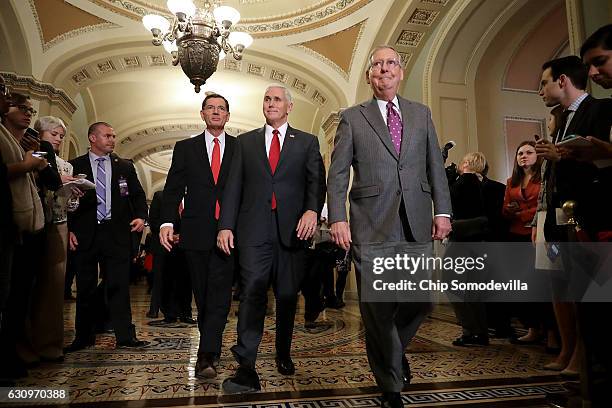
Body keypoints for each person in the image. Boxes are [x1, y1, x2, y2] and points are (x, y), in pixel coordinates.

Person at [326, 45, 452, 407]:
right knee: (379, 307)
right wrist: (338, 217)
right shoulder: (353, 117)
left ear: (400, 71)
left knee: (422, 300)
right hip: (370, 223)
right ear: (370, 75)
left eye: (391, 63)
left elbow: (434, 167)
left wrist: (442, 210)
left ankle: (392, 350)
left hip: (415, 220)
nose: (384, 69)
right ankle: (390, 386)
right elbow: (337, 174)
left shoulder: (421, 113)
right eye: (377, 64)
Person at [217, 84, 325, 393]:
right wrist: (226, 225)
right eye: (266, 98)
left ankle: (283, 352)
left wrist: (311, 211)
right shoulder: (245, 143)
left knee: (288, 295)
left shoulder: (307, 142)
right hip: (253, 231)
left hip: (294, 232)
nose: (271, 103)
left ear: (289, 107)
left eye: (277, 99)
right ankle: (246, 364)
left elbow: (316, 183)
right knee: (252, 291)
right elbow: (233, 187)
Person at [160, 94, 237, 379]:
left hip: (229, 231)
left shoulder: (240, 148)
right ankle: (210, 346)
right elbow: (173, 188)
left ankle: (207, 355)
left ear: (228, 116)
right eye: (211, 108)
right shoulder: (186, 148)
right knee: (203, 294)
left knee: (219, 293)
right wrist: (167, 222)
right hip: (195, 231)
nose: (216, 112)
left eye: (221, 109)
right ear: (202, 114)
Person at [65, 121, 149, 352]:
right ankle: (83, 337)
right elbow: (66, 201)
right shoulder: (75, 166)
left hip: (116, 234)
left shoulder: (124, 166)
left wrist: (142, 217)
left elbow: (138, 195)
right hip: (86, 234)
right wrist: (70, 228)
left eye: (114, 136)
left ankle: (125, 337)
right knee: (85, 287)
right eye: (107, 135)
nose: (112, 139)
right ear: (93, 138)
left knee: (119, 286)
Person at [27, 116, 82, 362]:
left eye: (61, 135)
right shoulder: (32, 155)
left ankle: (50, 344)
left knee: (54, 285)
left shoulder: (66, 167)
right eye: (54, 135)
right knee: (28, 285)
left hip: (58, 223)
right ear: (40, 134)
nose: (59, 139)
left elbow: (70, 206)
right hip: (33, 222)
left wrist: (73, 191)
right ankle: (25, 343)